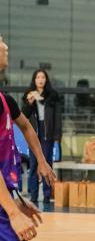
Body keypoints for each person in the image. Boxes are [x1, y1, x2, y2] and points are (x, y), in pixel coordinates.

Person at [0, 34, 57, 240]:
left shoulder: (5, 100)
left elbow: (26, 126)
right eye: (0, 41)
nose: (5, 46)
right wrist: (14, 213)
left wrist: (42, 161)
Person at [21, 69, 62, 204]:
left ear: (46, 80)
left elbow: (57, 118)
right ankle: (33, 196)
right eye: (38, 77)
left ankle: (46, 195)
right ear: (34, 80)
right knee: (33, 165)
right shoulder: (29, 95)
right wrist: (29, 102)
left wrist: (57, 136)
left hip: (47, 133)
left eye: (43, 77)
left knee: (47, 164)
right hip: (34, 132)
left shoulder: (52, 96)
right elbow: (24, 115)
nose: (40, 80)